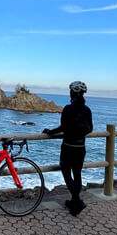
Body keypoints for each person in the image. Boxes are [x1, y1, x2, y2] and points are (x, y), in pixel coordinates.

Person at [42, 81, 93, 216]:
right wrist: (80, 134)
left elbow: (62, 128)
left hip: (68, 146)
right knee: (77, 174)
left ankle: (77, 201)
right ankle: (74, 202)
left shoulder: (68, 109)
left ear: (72, 93)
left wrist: (50, 132)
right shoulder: (87, 110)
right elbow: (90, 129)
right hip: (81, 147)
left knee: (65, 171)